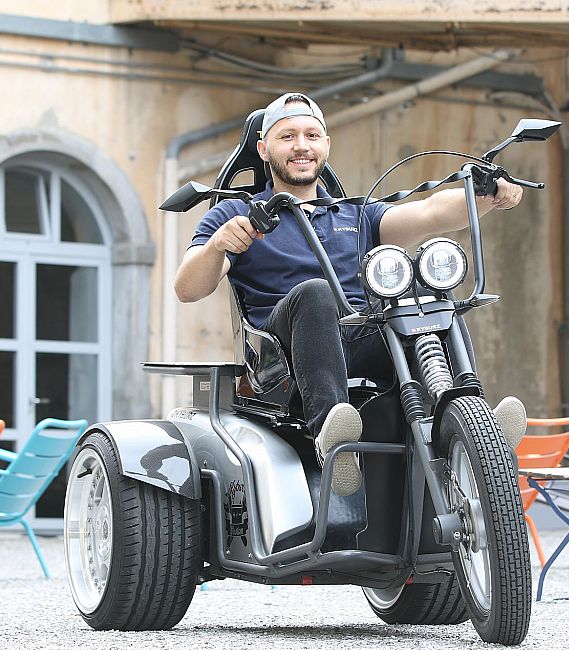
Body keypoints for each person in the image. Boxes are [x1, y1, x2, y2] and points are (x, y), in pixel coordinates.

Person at [175, 92, 528, 496]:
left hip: (360, 336)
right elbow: (188, 288)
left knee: (427, 295)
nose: (302, 146)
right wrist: (218, 245)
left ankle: (473, 423)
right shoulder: (235, 215)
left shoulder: (356, 214)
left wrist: (485, 195)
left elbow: (430, 212)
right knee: (316, 292)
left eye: (312, 135)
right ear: (263, 149)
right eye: (287, 136)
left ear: (326, 145)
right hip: (282, 354)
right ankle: (333, 439)